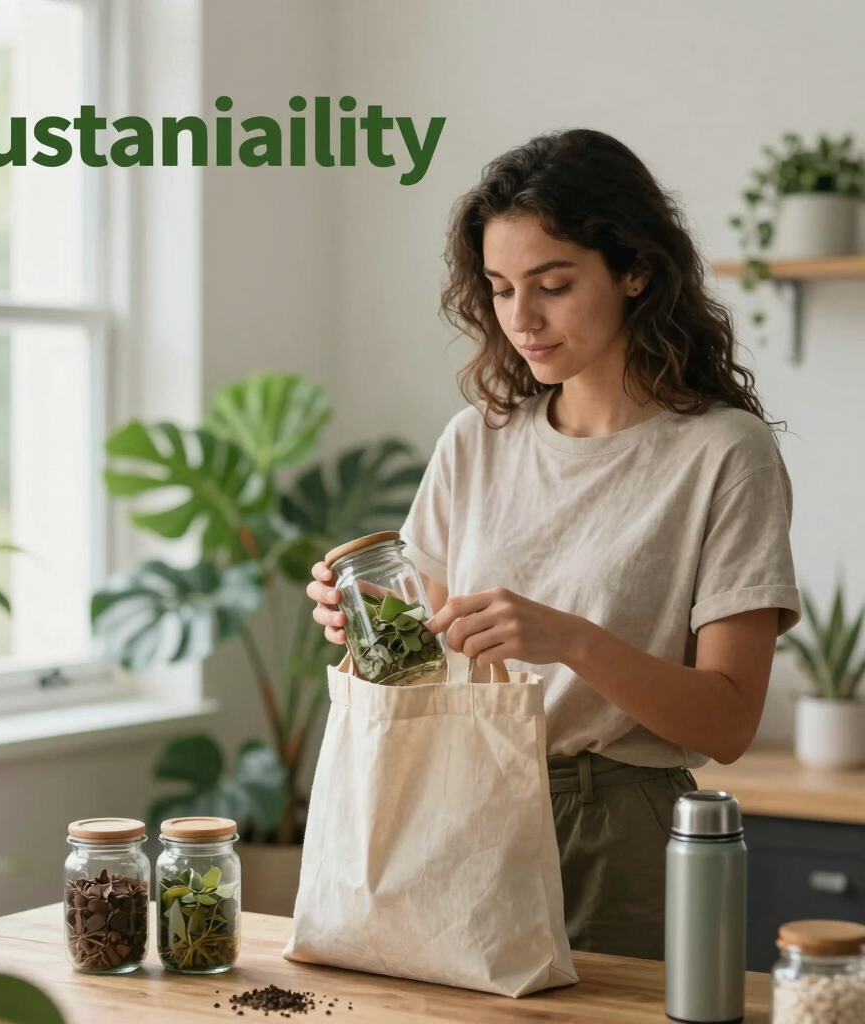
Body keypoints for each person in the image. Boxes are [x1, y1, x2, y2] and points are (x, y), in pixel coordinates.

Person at [306, 128, 801, 961]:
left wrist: (569, 639)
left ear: (636, 271)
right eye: (500, 289)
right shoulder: (477, 441)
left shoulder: (724, 454)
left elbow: (729, 719)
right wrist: (359, 617)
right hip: (460, 807)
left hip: (620, 833)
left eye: (553, 285)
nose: (521, 319)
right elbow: (428, 652)